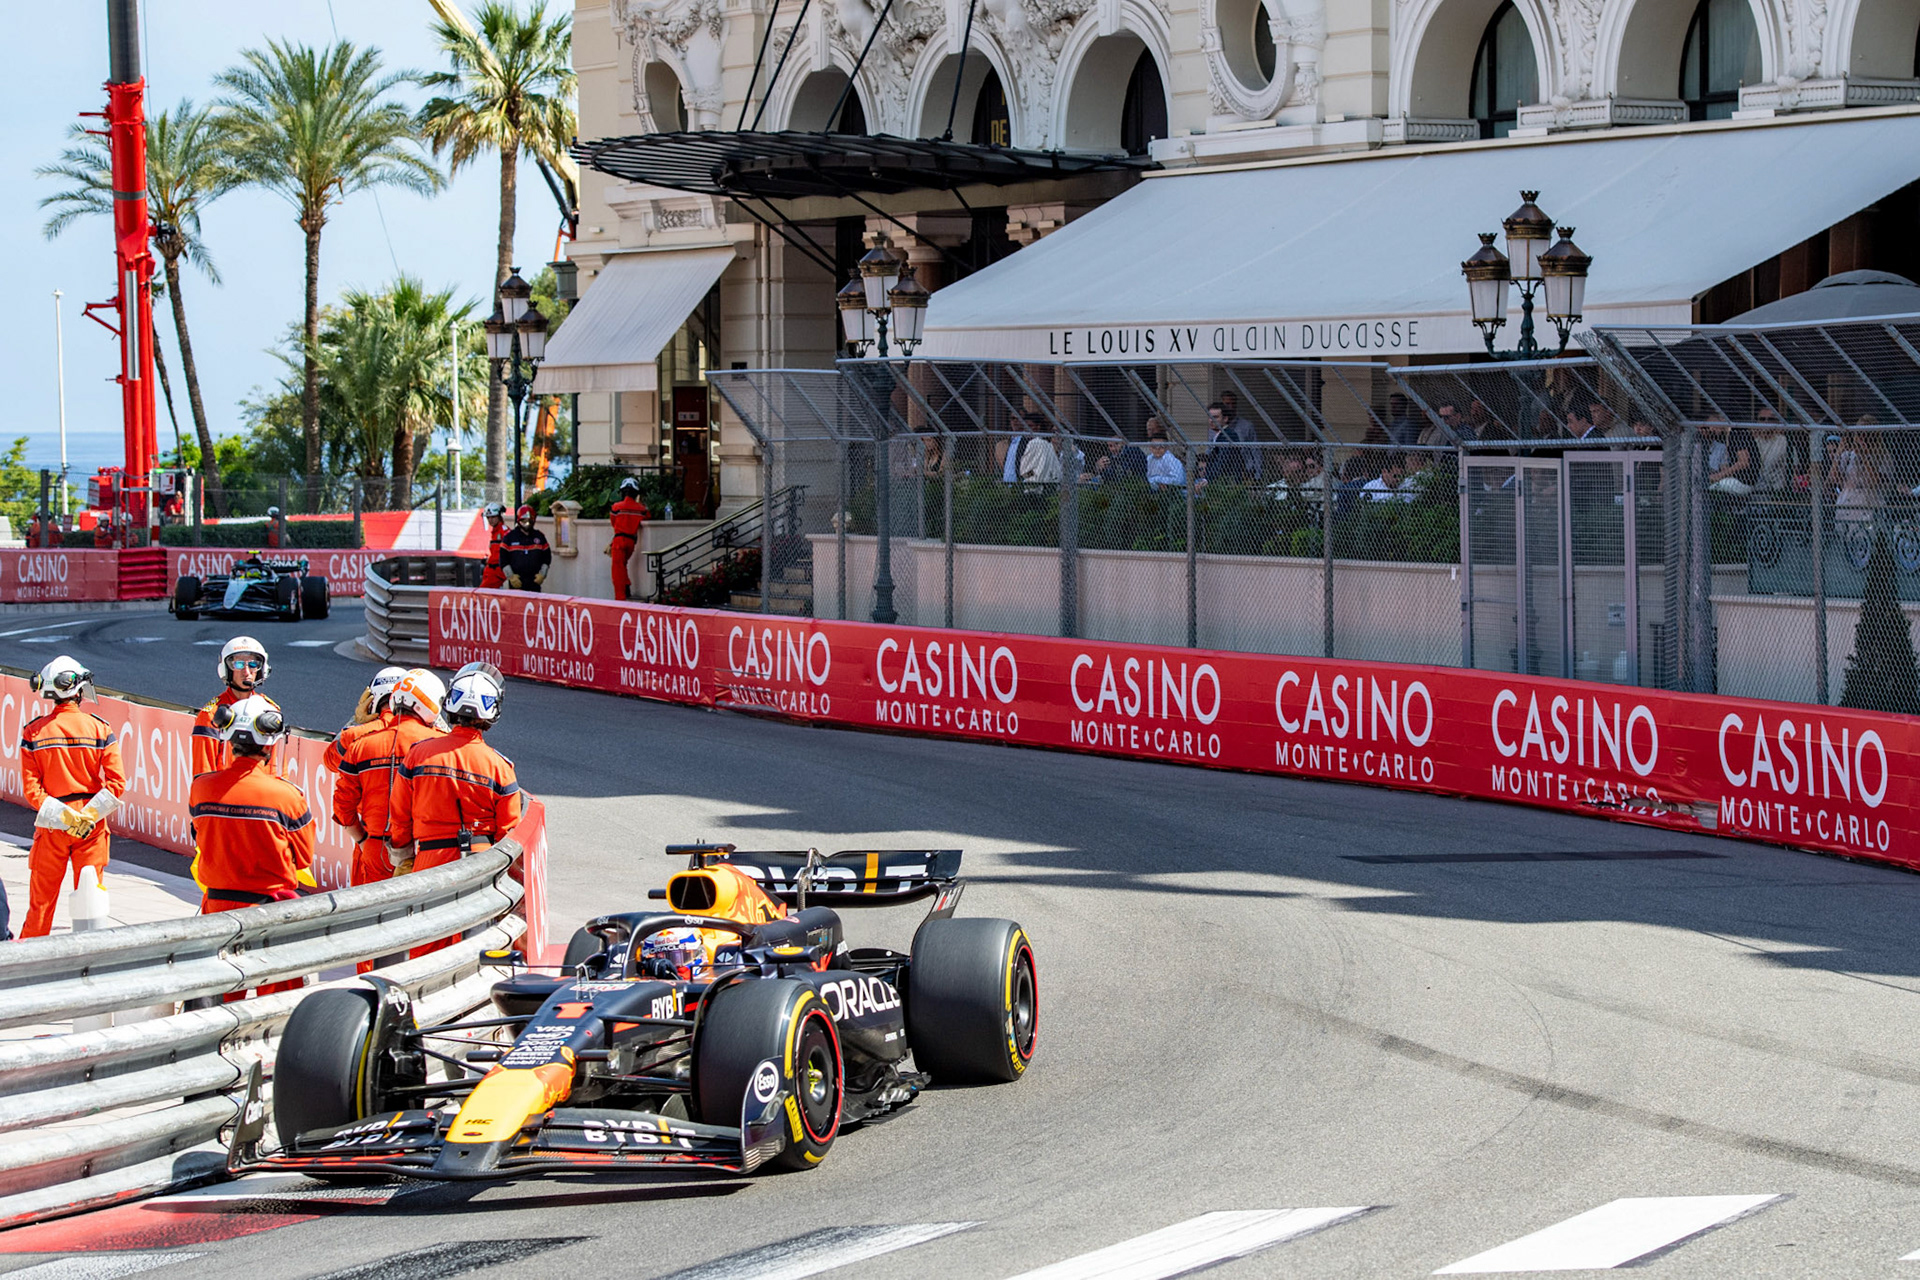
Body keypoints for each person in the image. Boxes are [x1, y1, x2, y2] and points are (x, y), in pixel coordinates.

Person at [387, 663, 522, 957]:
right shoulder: (500, 767)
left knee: (428, 944)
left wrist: (402, 855)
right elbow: (510, 833)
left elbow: (399, 816)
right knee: (478, 945)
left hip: (429, 859)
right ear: (492, 712)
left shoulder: (418, 755)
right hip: (481, 863)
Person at [188, 695, 314, 995]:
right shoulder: (286, 796)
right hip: (269, 913)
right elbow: (304, 856)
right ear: (270, 743)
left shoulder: (202, 787)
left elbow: (199, 837)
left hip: (216, 907)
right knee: (277, 1008)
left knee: (217, 1002)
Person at [18, 657, 126, 939]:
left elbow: (32, 790)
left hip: (54, 823)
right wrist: (85, 818)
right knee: (91, 904)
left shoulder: (34, 732)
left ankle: (29, 964)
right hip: (91, 824)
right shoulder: (100, 728)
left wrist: (66, 818)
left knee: (41, 904)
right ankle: (89, 968)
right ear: (79, 690)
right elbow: (117, 783)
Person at [335, 669, 446, 942]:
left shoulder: (361, 743)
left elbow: (341, 807)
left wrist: (362, 840)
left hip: (373, 845)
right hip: (424, 850)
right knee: (423, 929)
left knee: (368, 930)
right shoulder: (441, 746)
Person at [194, 637, 276, 778]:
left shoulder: (270, 711)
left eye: (253, 664)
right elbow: (202, 773)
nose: (246, 671)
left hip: (261, 793)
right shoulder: (211, 715)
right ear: (226, 669)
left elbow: (277, 769)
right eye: (238, 664)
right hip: (223, 795)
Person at [608, 477, 650, 600]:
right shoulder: (641, 509)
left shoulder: (616, 507)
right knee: (623, 565)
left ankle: (620, 597)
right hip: (631, 542)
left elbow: (613, 522)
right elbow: (647, 516)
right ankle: (627, 587)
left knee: (617, 569)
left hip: (619, 540)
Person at [501, 505, 551, 591]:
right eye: (524, 521)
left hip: (534, 582)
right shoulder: (509, 537)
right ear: (519, 520)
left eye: (529, 521)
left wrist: (542, 574)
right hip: (517, 582)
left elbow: (547, 558)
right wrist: (511, 576)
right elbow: (503, 560)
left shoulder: (540, 537)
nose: (527, 524)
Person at [480, 501, 508, 589]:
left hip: (498, 572)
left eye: (493, 517)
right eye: (488, 518)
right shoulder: (495, 533)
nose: (490, 520)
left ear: (499, 516)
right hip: (491, 571)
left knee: (482, 595)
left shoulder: (504, 532)